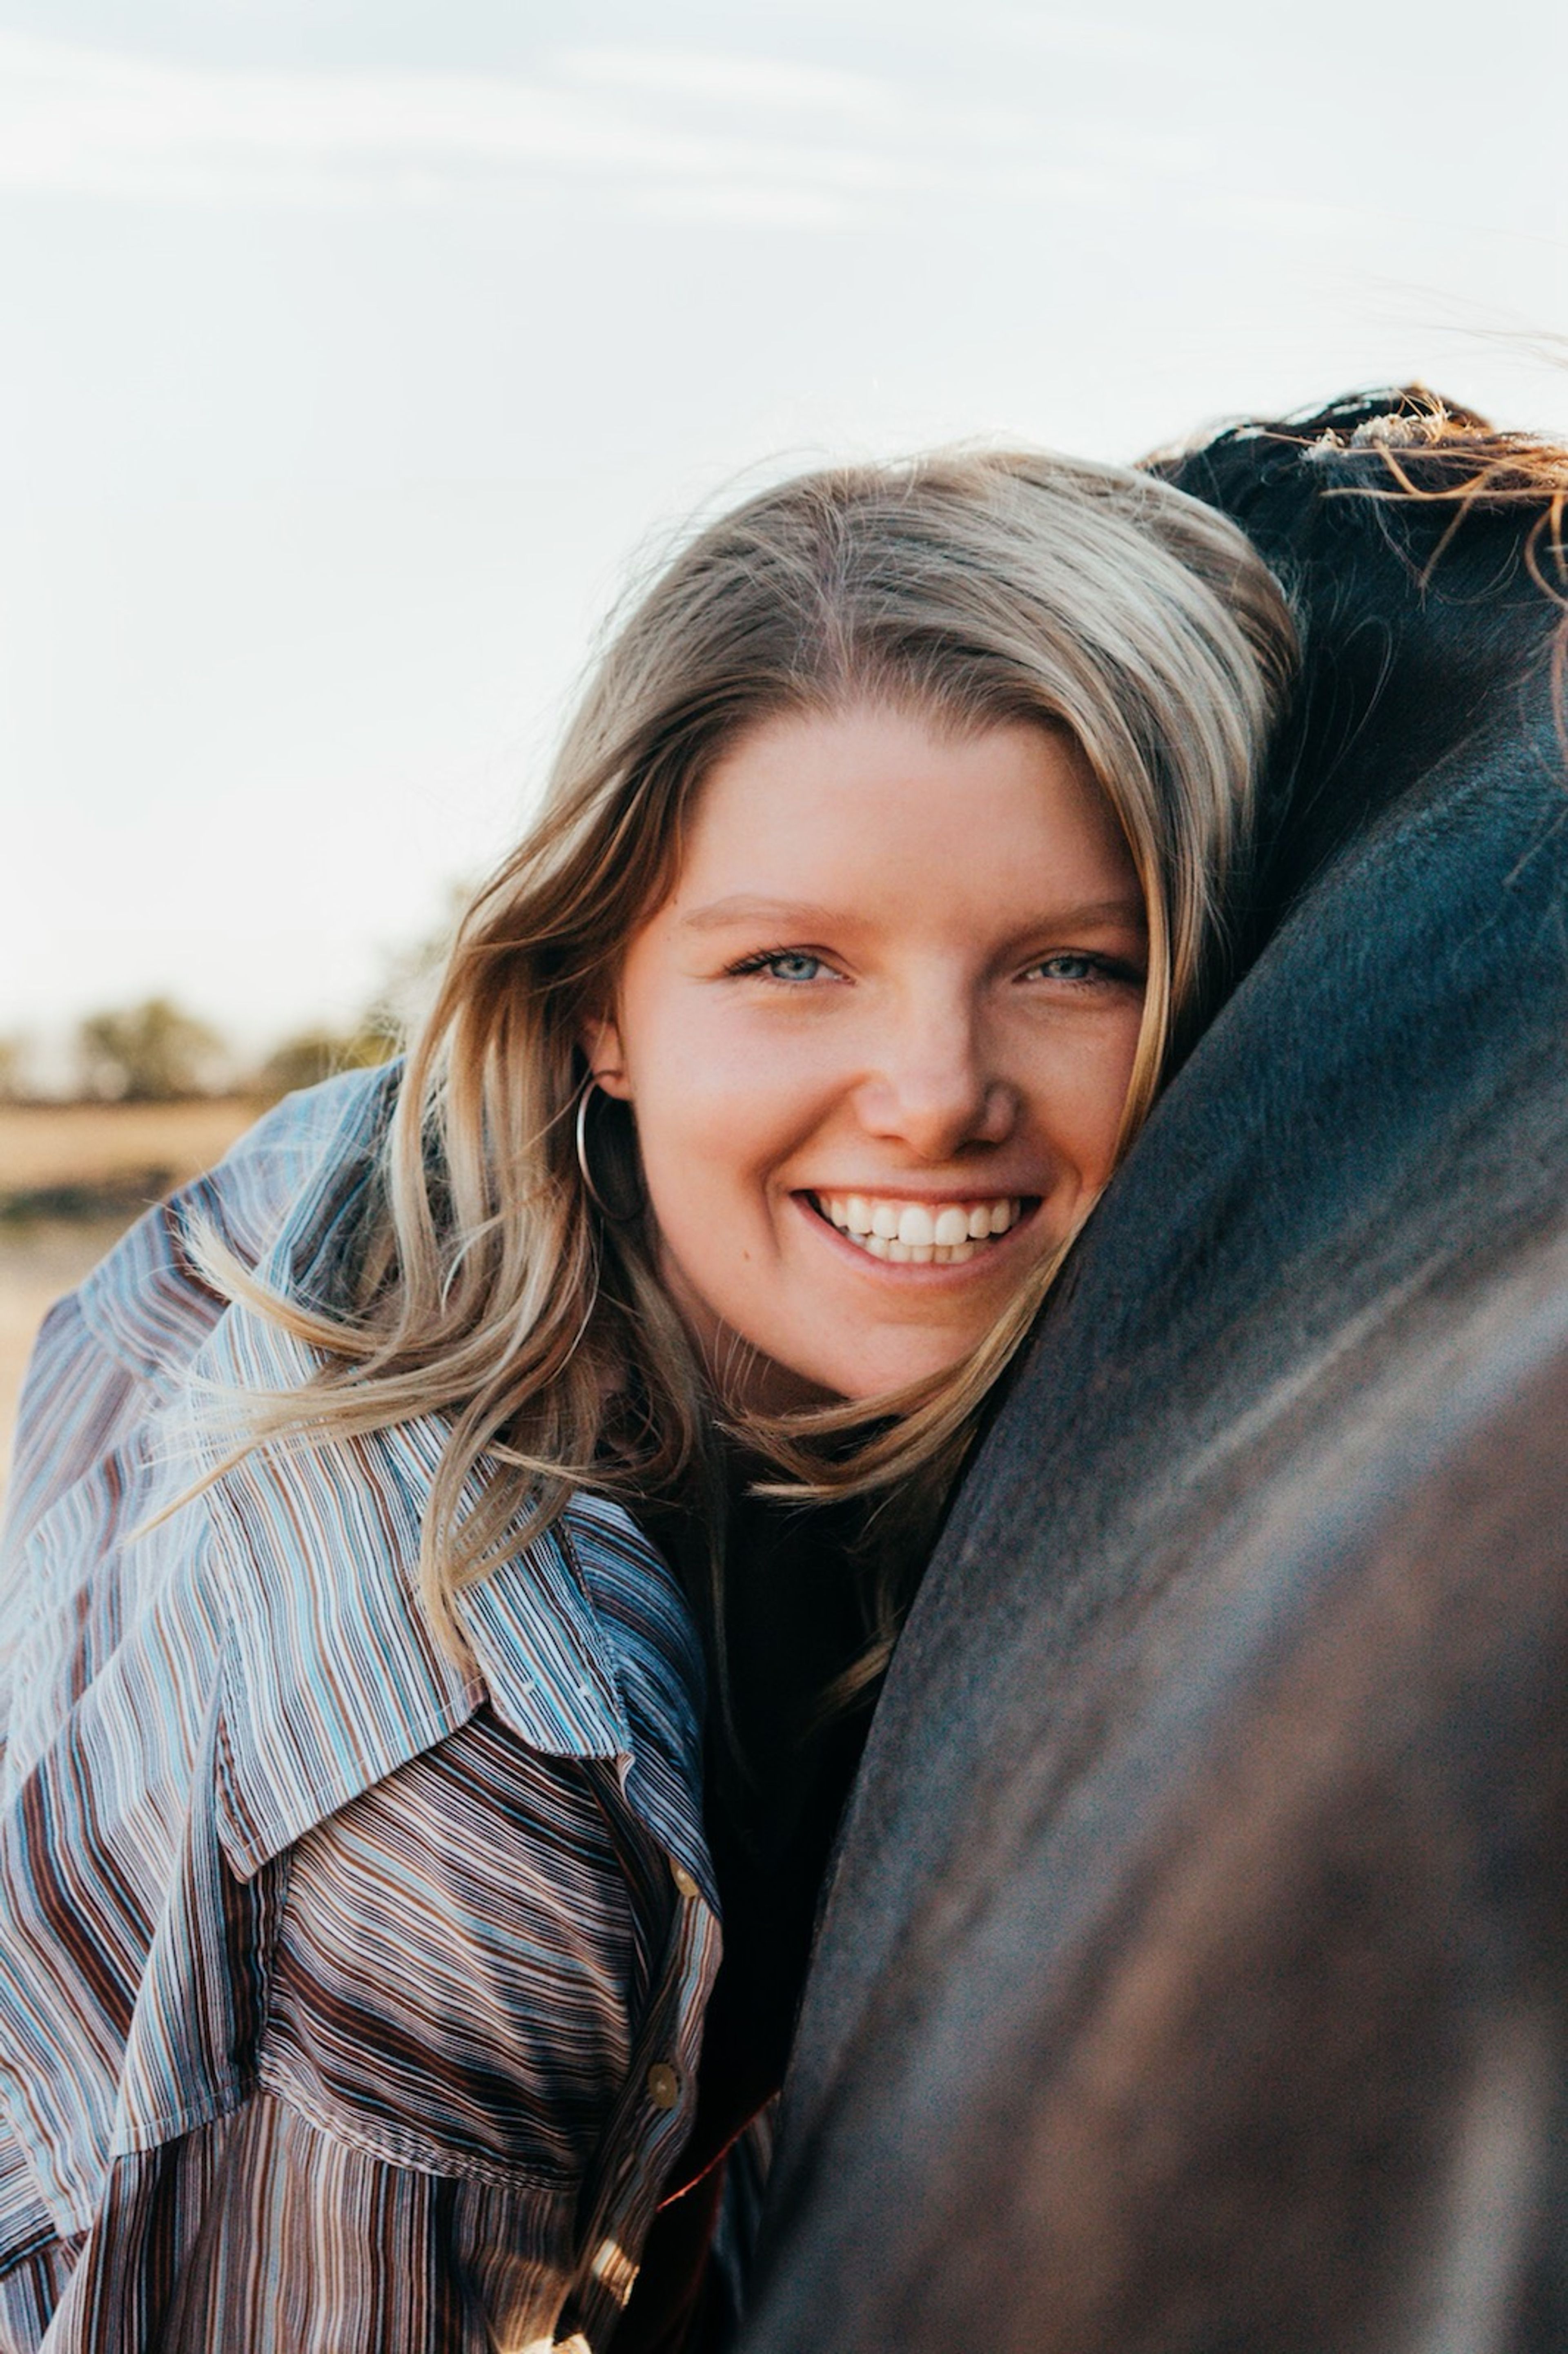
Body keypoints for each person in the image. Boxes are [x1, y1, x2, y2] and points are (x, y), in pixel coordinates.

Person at [0, 448, 1296, 2353]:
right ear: (597, 997)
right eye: (792, 963)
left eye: (1073, 966)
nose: (936, 1091)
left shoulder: (342, 1166)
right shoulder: (459, 1847)